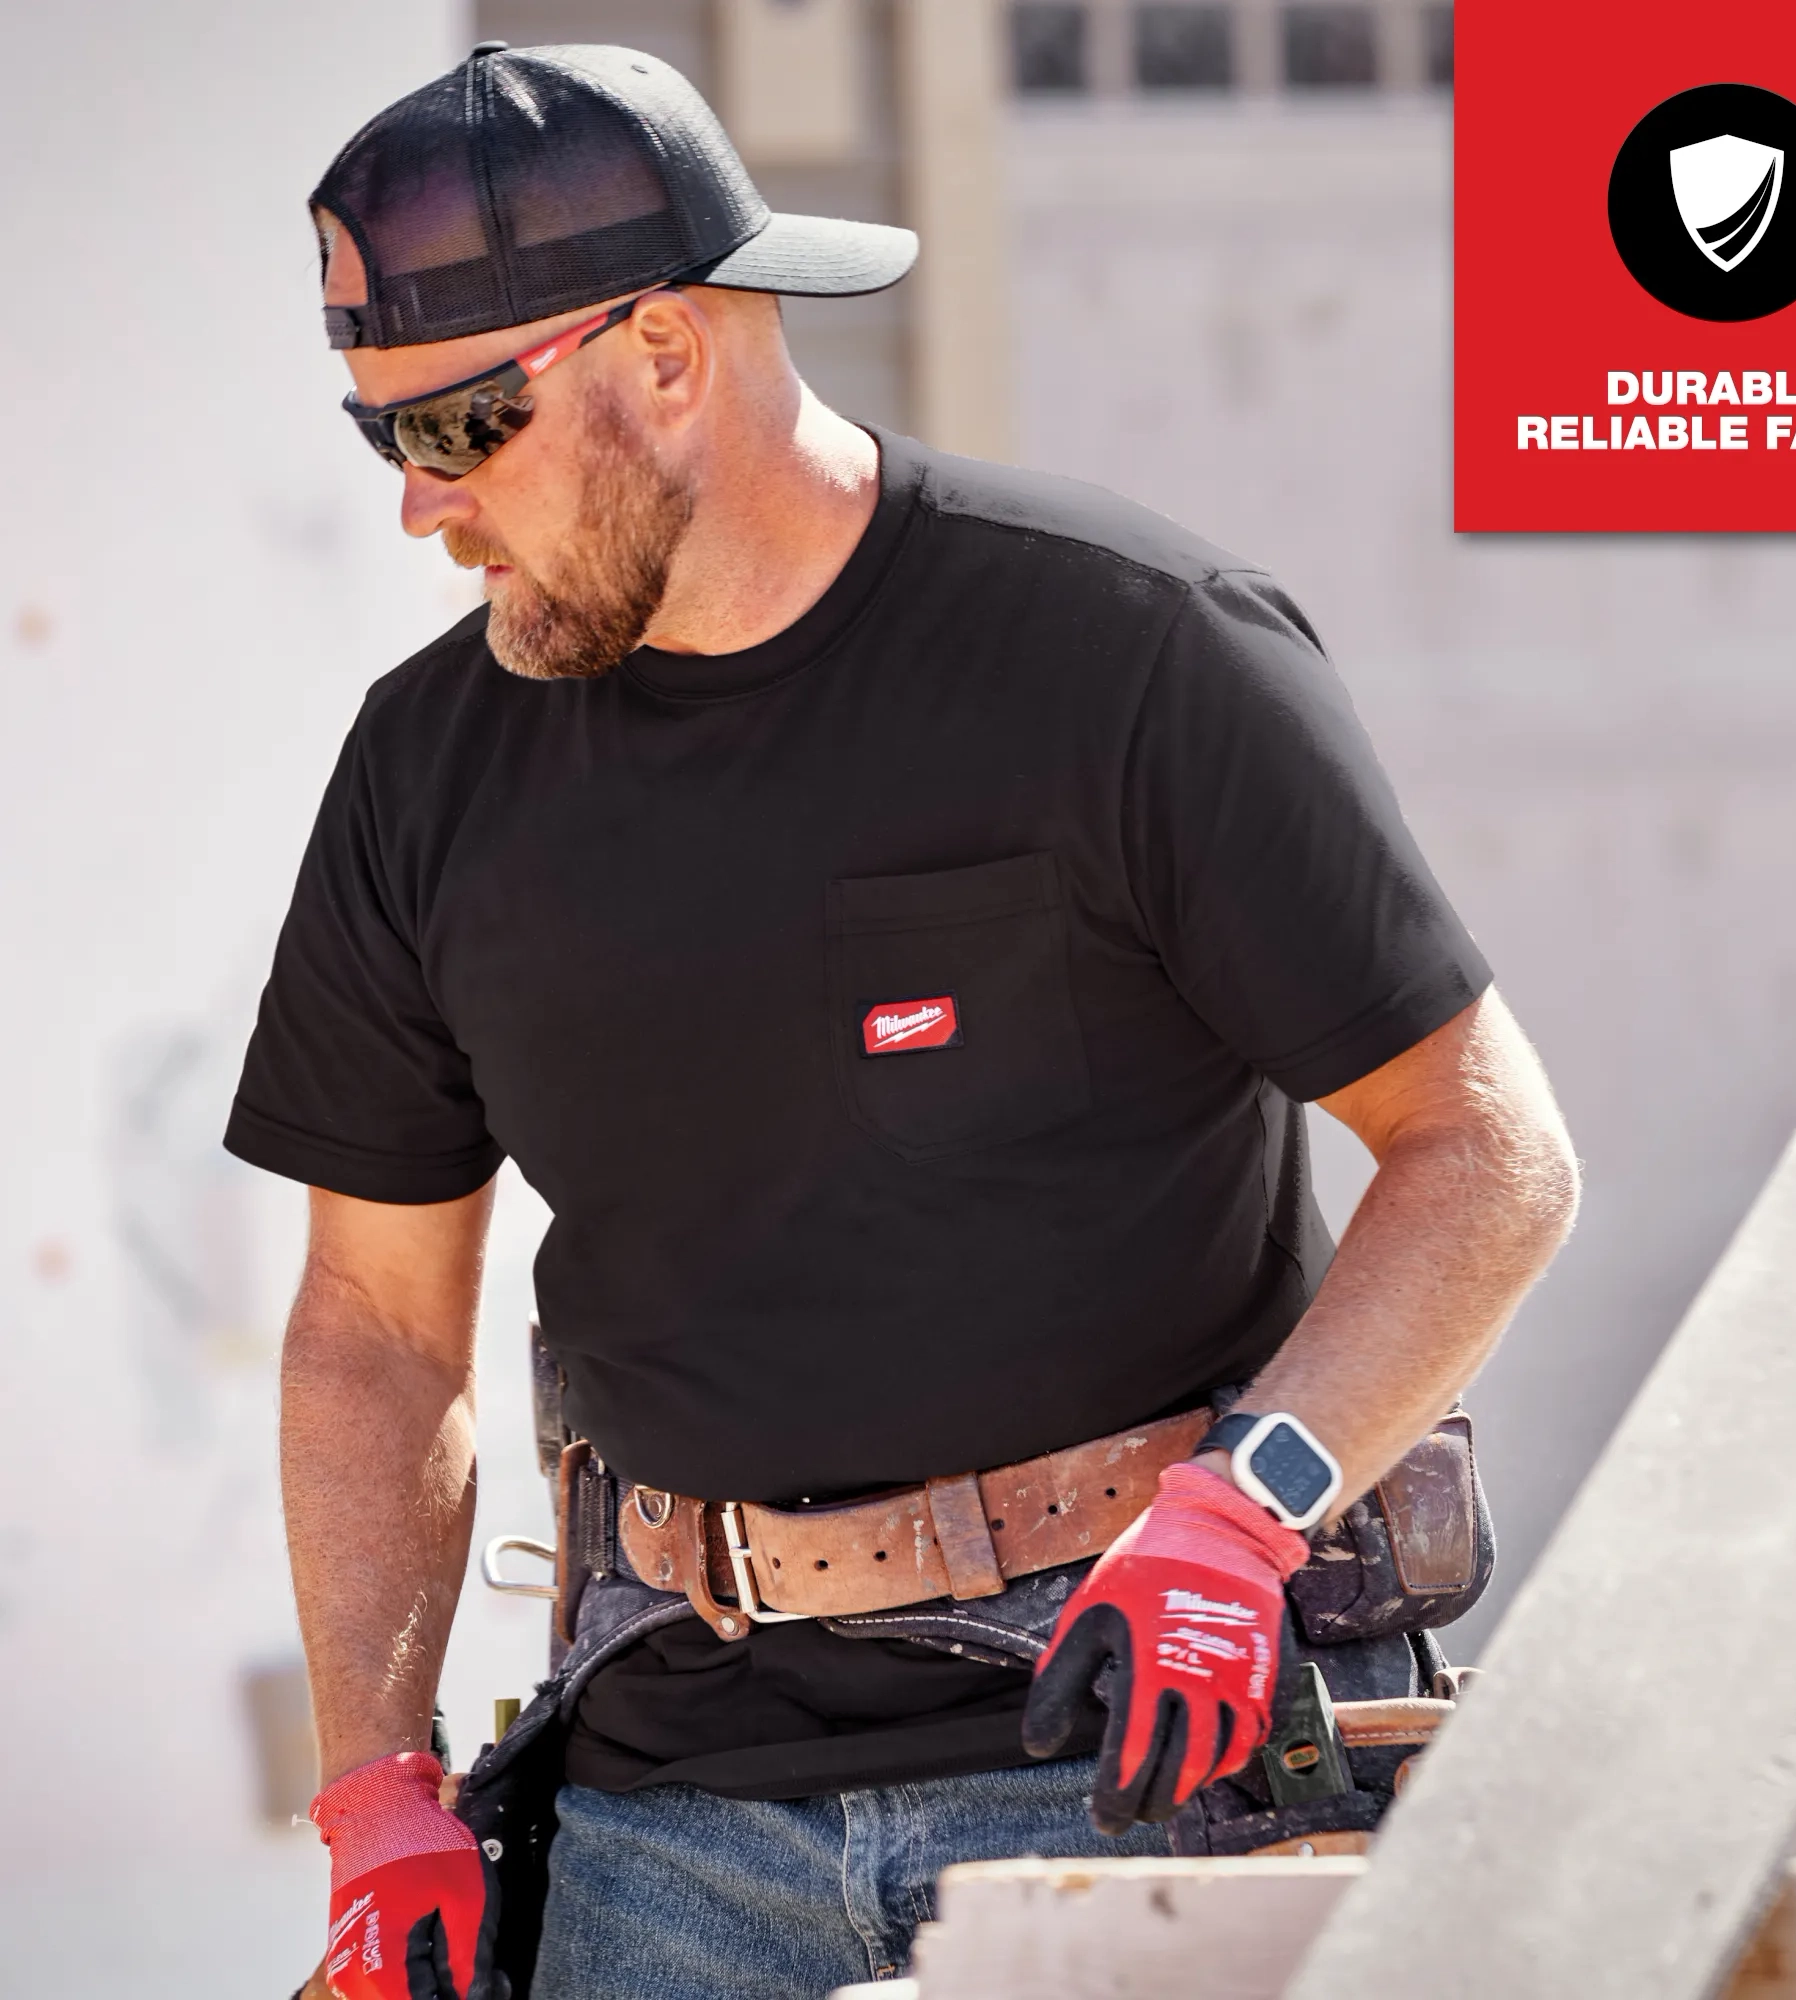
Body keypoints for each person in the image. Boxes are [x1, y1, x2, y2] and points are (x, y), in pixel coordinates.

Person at [236, 41, 1578, 2000]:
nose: (421, 505)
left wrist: (1249, 1511)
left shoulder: (1130, 652)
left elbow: (1485, 1152)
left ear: (666, 354)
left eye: (459, 425)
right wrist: (376, 1785)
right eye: (381, 437)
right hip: (664, 1829)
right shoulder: (423, 770)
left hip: (1135, 1767)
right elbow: (370, 1325)